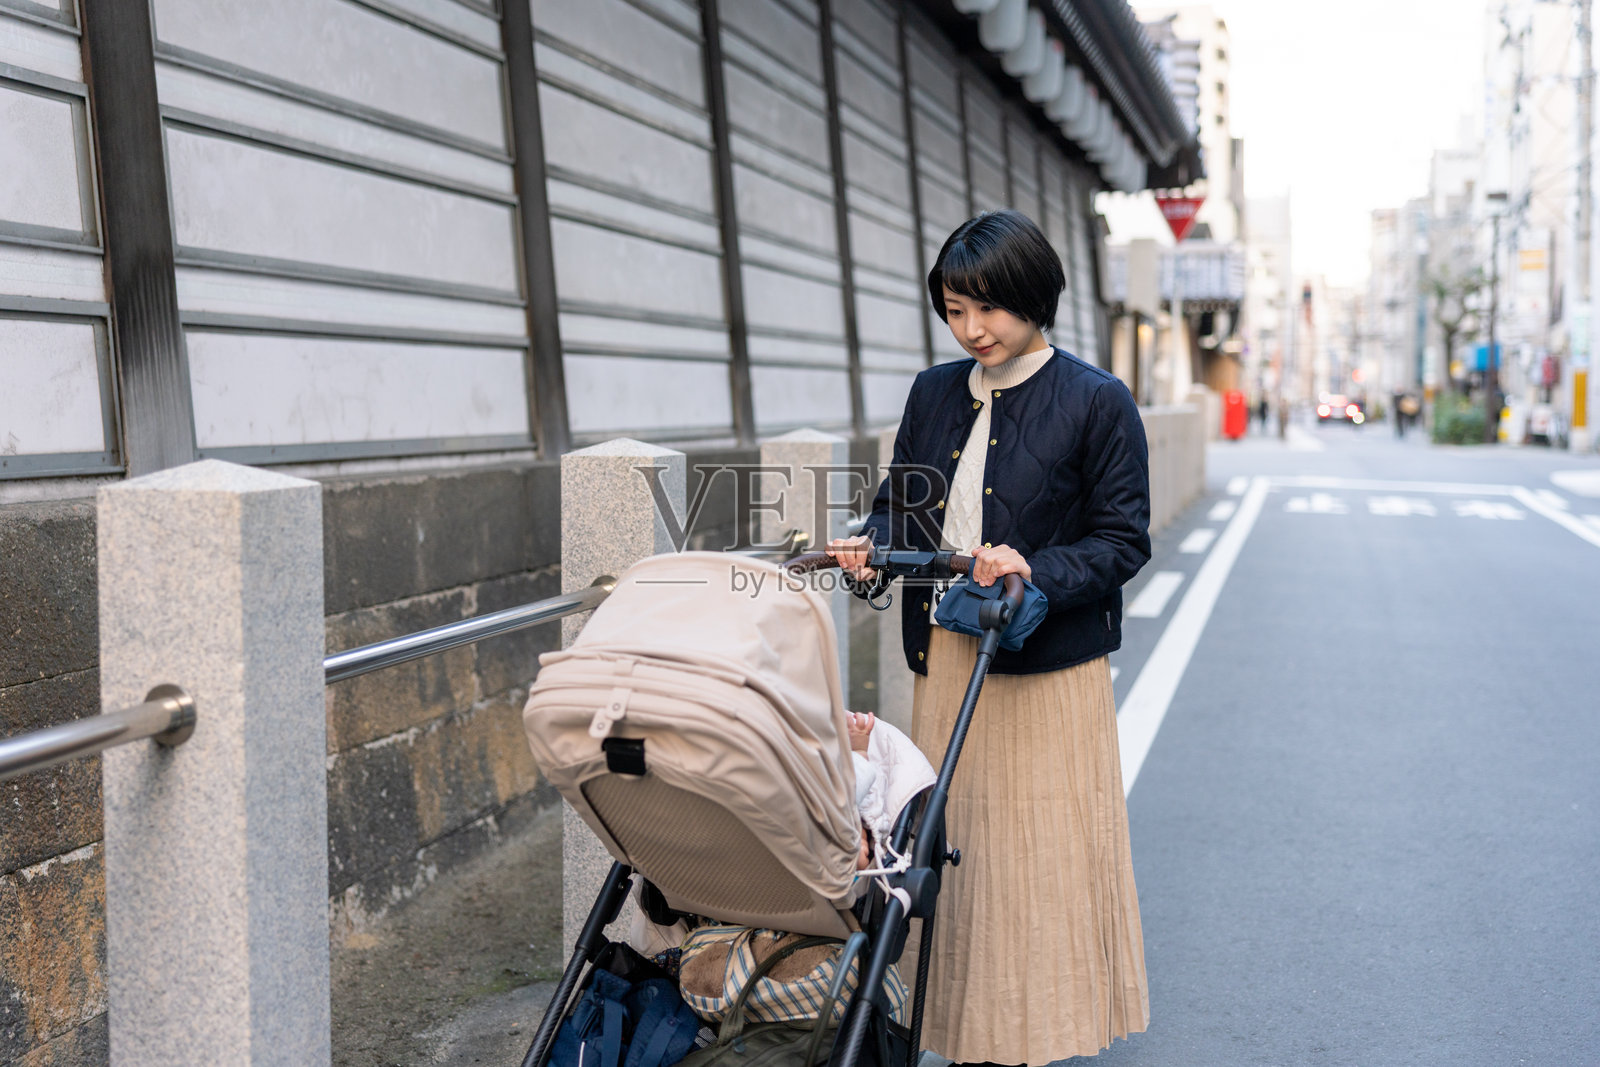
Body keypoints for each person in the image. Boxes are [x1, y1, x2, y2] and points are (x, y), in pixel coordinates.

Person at [828, 210, 1151, 1064]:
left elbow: (1123, 541)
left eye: (988, 308)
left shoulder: (1097, 400)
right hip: (947, 661)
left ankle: (1034, 1039)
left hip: (1047, 673)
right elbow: (901, 507)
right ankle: (962, 1035)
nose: (972, 329)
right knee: (945, 857)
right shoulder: (933, 392)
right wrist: (868, 548)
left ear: (1034, 296)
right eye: (954, 310)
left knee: (1038, 867)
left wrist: (1033, 567)